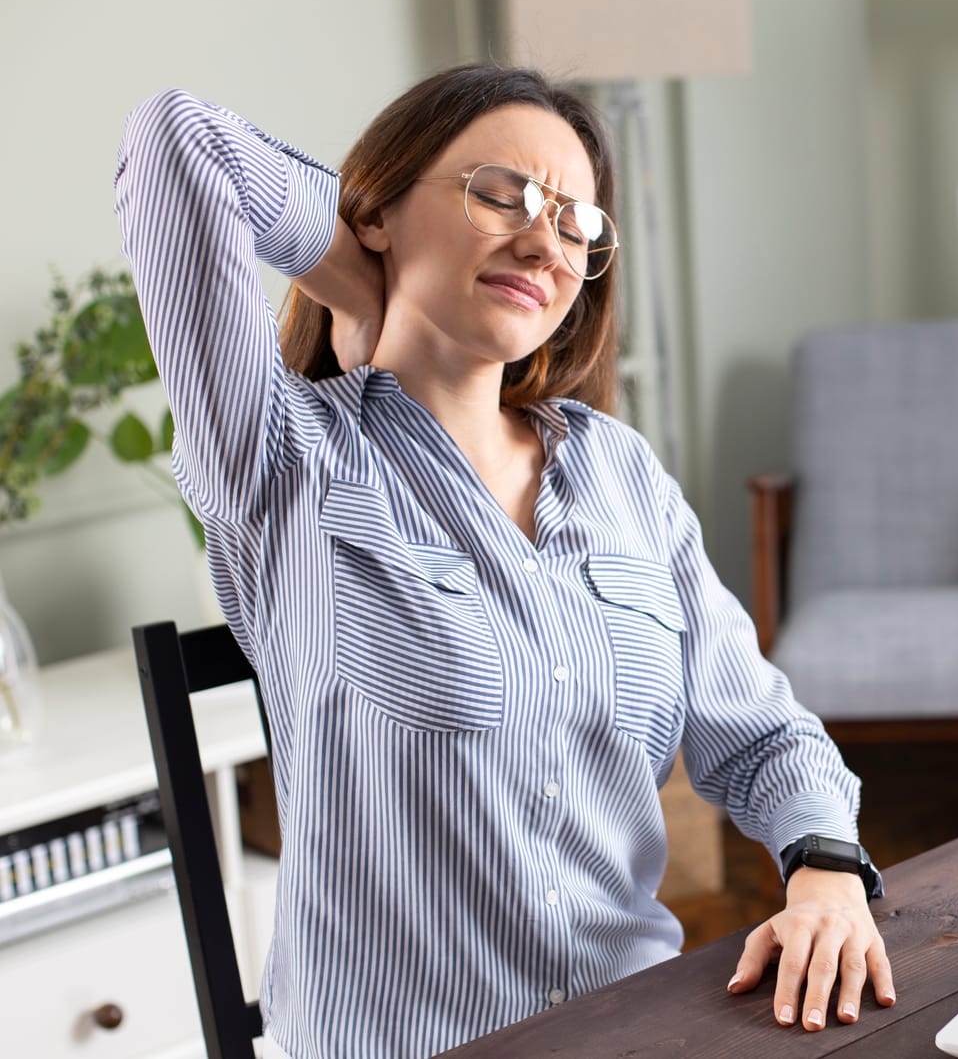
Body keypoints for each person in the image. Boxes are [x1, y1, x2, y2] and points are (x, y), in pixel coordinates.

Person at [115, 64, 894, 1058]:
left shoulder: (618, 471)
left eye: (576, 225)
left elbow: (762, 733)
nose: (544, 242)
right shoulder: (282, 459)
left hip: (638, 1027)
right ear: (380, 209)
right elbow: (178, 145)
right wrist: (353, 272)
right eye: (501, 194)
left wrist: (826, 871)